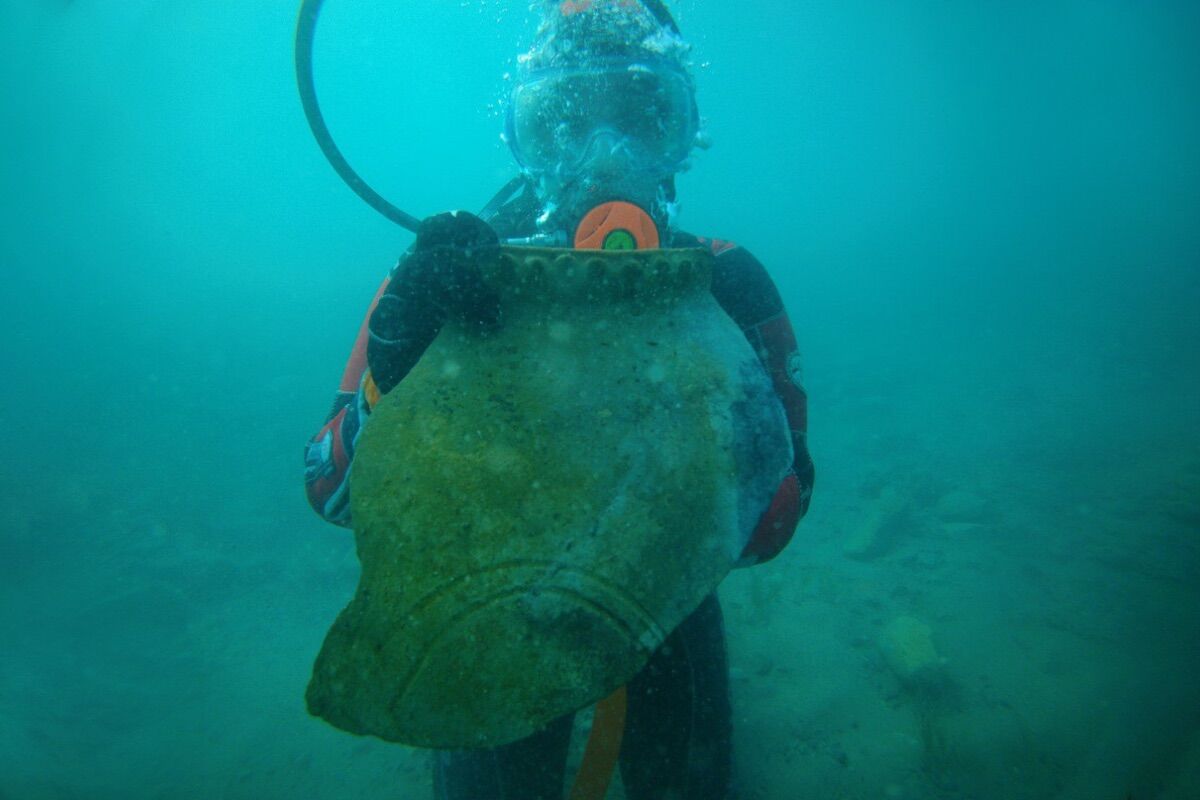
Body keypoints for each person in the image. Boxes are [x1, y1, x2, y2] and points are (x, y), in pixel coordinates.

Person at [303, 1, 814, 797]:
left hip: (667, 607)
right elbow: (330, 491)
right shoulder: (446, 280)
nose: (605, 160)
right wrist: (396, 364)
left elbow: (770, 528)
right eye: (564, 125)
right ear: (523, 141)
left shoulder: (728, 288)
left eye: (643, 119)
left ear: (684, 138)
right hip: (492, 614)